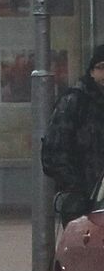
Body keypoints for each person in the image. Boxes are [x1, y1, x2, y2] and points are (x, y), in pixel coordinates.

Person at [43, 45, 104, 224]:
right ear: (92, 71)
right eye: (101, 67)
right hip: (82, 199)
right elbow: (53, 151)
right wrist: (75, 187)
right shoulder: (75, 101)